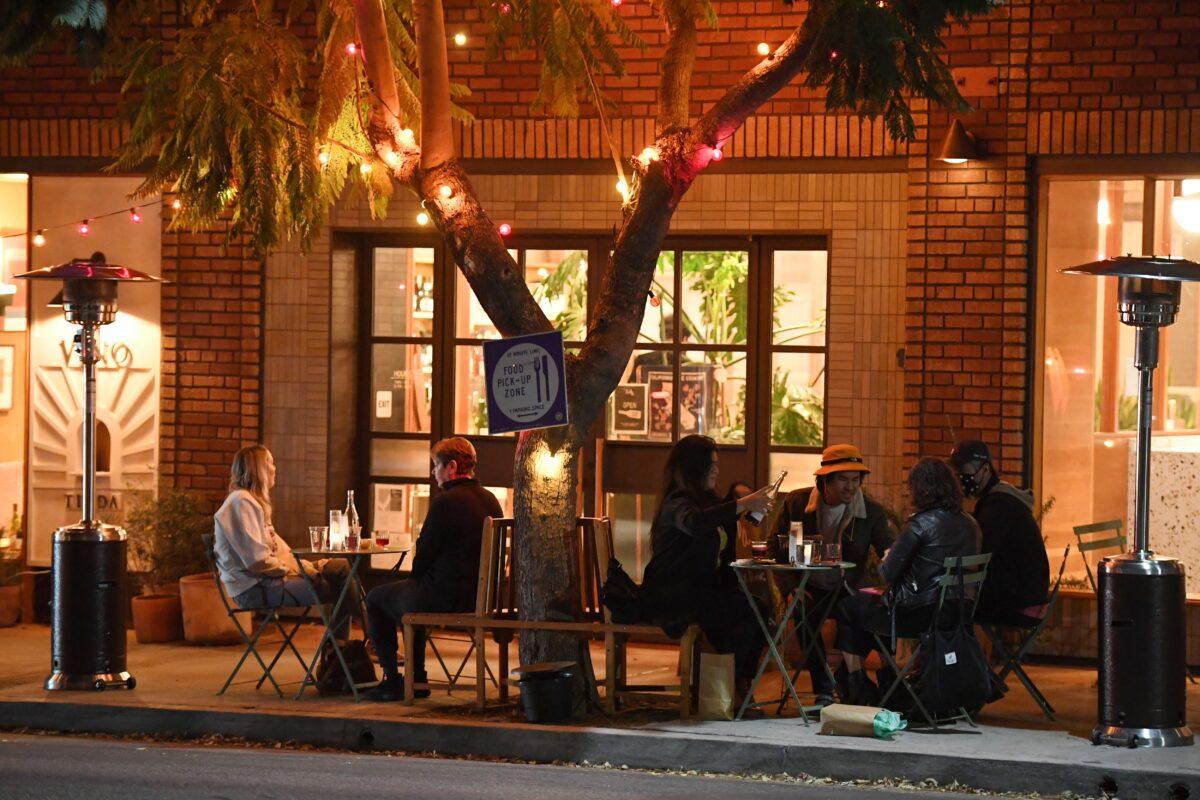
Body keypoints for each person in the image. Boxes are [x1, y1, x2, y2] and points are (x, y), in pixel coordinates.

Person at [364, 437, 502, 701]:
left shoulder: (445, 502)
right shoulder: (490, 499)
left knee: (377, 598)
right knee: (410, 595)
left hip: (445, 596)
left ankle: (393, 679)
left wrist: (416, 575)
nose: (432, 472)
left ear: (451, 467)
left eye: (436, 466)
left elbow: (424, 554)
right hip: (480, 597)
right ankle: (417, 678)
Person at [835, 457, 981, 701]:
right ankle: (884, 683)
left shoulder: (920, 524)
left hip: (919, 613)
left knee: (849, 608)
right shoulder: (971, 524)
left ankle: (858, 683)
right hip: (959, 611)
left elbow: (886, 574)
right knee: (868, 611)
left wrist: (889, 556)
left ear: (920, 489)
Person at [640, 435, 773, 701]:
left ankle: (738, 682)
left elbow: (719, 522)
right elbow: (696, 523)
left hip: (698, 591)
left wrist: (742, 505)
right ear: (693, 468)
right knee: (743, 613)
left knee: (759, 608)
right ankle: (734, 688)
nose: (716, 469)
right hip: (671, 595)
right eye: (709, 464)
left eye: (716, 463)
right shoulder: (677, 502)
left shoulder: (707, 499)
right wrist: (742, 505)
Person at [773, 444, 895, 706]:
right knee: (805, 617)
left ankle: (856, 683)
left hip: (848, 586)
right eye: (842, 480)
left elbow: (889, 547)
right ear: (824, 480)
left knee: (865, 615)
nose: (850, 487)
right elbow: (776, 548)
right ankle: (823, 689)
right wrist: (789, 587)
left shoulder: (870, 512)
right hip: (809, 584)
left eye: (855, 480)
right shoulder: (797, 503)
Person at [213, 444, 350, 633]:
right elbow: (258, 560)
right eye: (270, 462)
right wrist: (297, 570)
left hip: (269, 581)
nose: (274, 468)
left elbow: (281, 551)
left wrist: (304, 566)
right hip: (255, 589)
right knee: (343, 589)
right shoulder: (241, 502)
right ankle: (344, 649)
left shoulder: (252, 503)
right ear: (257, 468)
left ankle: (343, 649)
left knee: (342, 567)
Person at [950, 440, 1050, 625]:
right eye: (958, 473)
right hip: (1028, 596)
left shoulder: (999, 506)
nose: (961, 477)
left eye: (966, 471)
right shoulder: (1000, 500)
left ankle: (963, 653)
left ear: (986, 470)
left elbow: (978, 552)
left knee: (950, 608)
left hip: (1020, 602)